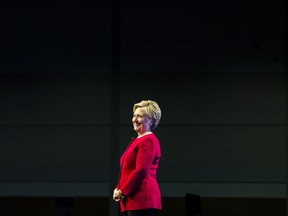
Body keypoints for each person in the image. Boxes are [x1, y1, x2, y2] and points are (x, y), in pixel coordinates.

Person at [113, 100, 162, 216]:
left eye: (139, 116)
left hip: (142, 199)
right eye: (134, 116)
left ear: (151, 121)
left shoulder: (148, 140)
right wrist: (118, 188)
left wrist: (123, 191)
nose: (134, 119)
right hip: (132, 199)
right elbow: (127, 170)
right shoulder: (137, 140)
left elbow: (141, 170)